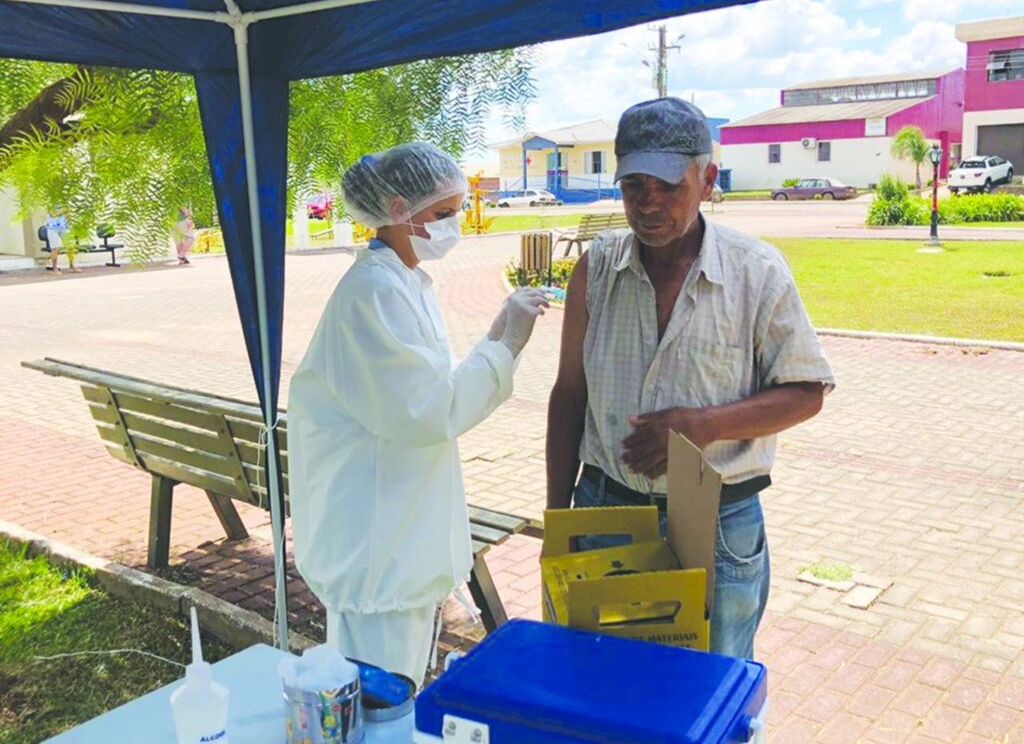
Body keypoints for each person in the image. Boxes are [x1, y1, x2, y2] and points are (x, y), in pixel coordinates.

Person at [546, 98, 835, 660]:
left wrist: (704, 425)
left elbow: (806, 391)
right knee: (602, 682)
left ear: (705, 180)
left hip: (718, 521)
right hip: (605, 511)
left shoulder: (757, 272)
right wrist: (560, 519)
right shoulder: (597, 270)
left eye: (668, 186)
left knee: (710, 692)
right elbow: (569, 395)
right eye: (634, 186)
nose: (649, 205)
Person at [288, 142, 548, 685]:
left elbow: (428, 386)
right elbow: (429, 411)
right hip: (376, 543)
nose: (455, 225)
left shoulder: (402, 281)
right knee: (380, 693)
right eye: (443, 214)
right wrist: (506, 347)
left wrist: (496, 334)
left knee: (390, 685)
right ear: (401, 210)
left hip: (395, 526)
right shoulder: (374, 293)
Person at [45, 207, 79, 274]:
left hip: (65, 226)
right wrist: (63, 211)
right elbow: (52, 214)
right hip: (52, 228)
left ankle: (72, 266)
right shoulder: (50, 201)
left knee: (70, 246)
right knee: (54, 248)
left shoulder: (64, 201)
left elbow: (69, 212)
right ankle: (55, 269)